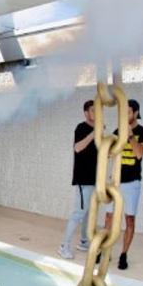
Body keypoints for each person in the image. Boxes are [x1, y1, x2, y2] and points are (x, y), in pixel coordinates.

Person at [104, 99, 143, 270]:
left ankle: (123, 254)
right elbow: (109, 154)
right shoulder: (117, 132)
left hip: (132, 183)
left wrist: (130, 136)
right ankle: (105, 250)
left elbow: (139, 154)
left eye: (128, 112)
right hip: (115, 182)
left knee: (129, 219)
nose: (126, 115)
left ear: (136, 113)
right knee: (109, 217)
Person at [58, 100, 97, 259]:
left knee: (88, 213)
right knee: (78, 213)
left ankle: (84, 241)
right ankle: (63, 246)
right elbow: (77, 148)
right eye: (93, 110)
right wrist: (93, 134)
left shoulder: (99, 130)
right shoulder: (81, 128)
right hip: (83, 179)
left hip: (94, 179)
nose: (96, 113)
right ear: (86, 113)